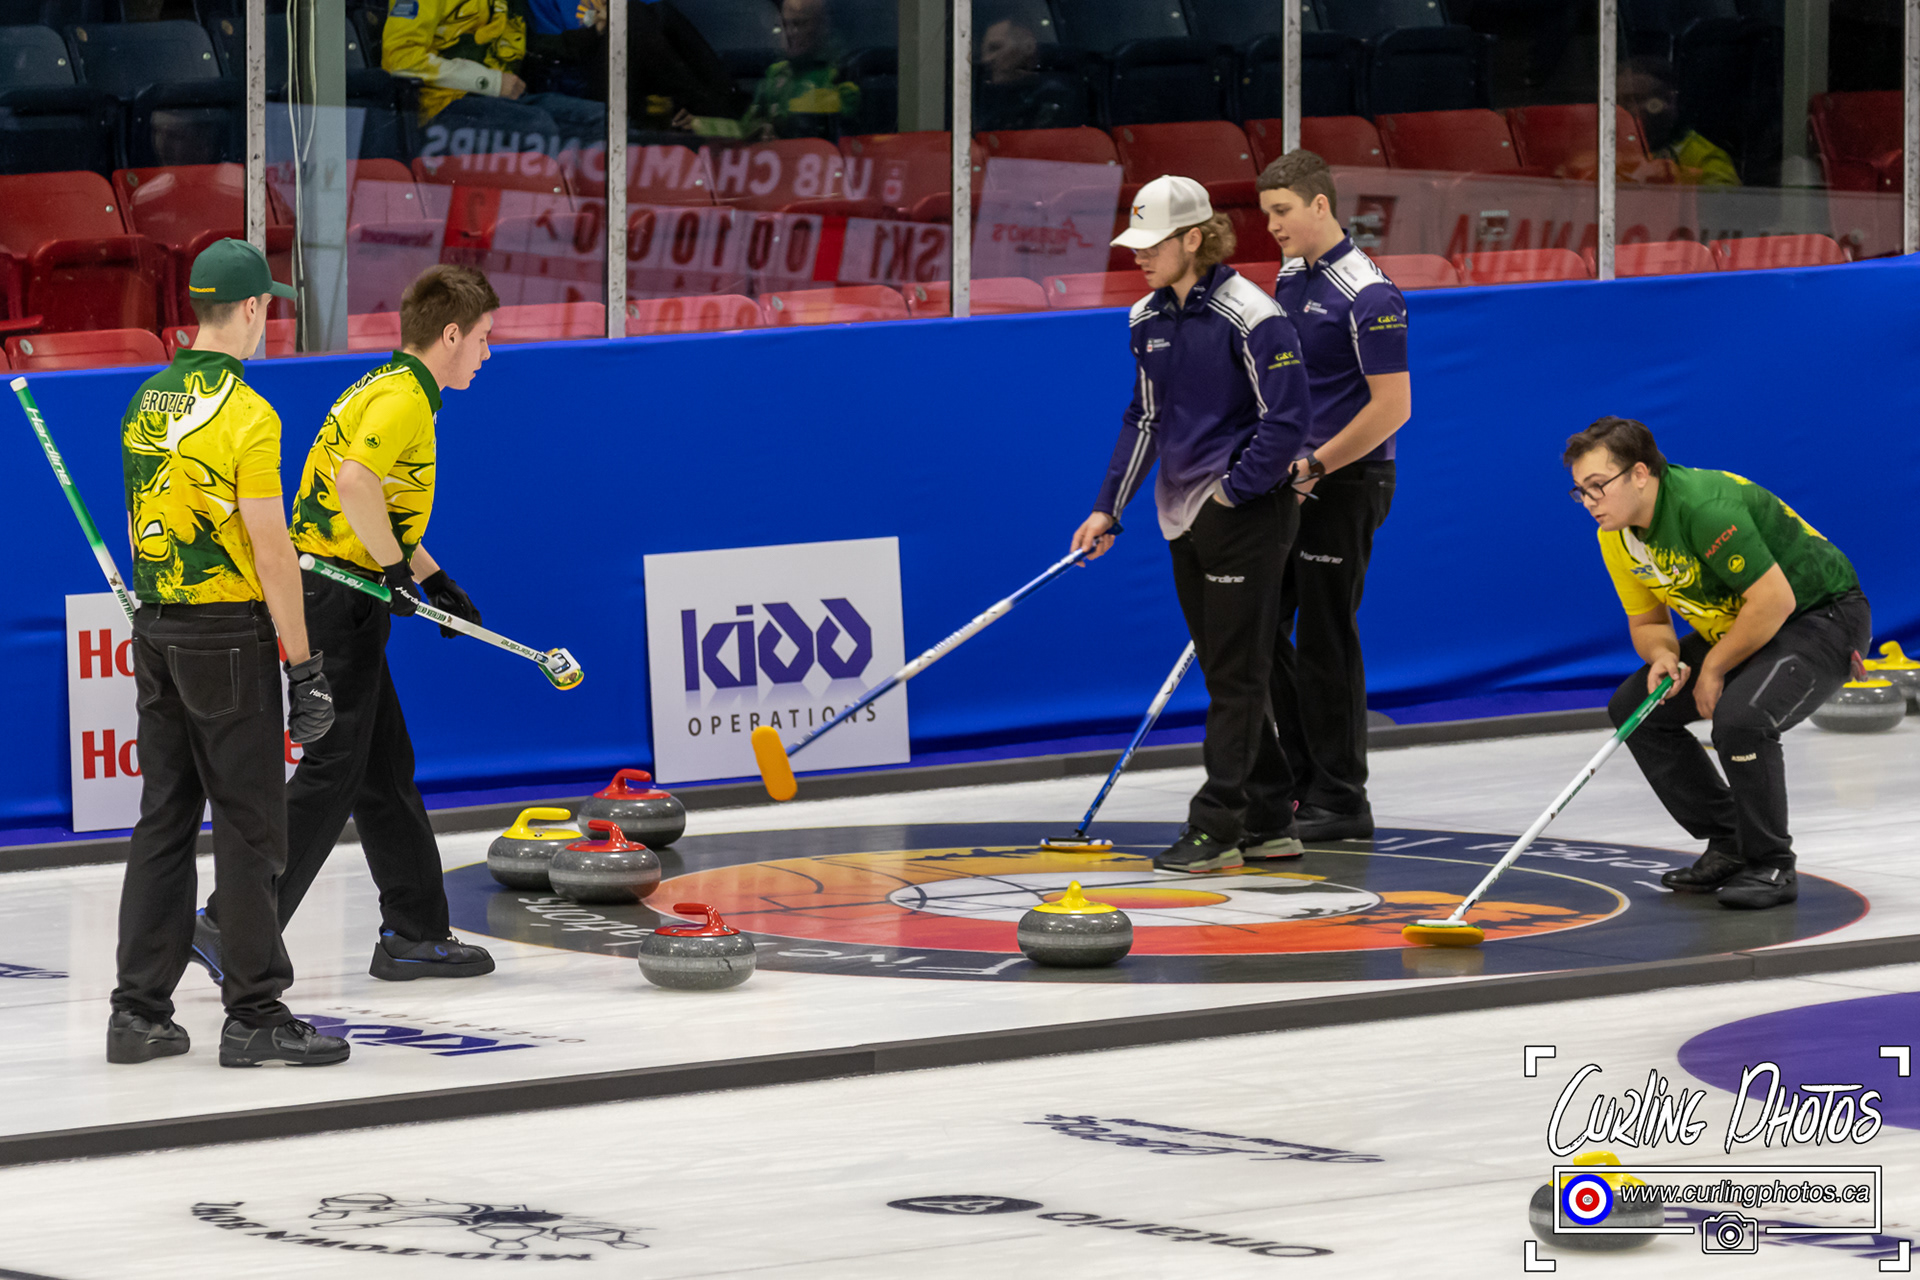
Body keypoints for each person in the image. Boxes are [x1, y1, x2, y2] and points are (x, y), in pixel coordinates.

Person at [194, 265, 500, 983]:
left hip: (339, 590)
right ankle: (232, 922)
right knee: (334, 768)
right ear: (450, 335)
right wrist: (393, 572)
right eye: (484, 338)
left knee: (384, 770)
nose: (488, 353)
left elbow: (366, 503)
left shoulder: (385, 386)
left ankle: (414, 932)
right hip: (340, 598)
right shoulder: (404, 401)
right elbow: (354, 484)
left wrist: (431, 577)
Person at [112, 239, 348, 1069]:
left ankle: (137, 1012)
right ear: (250, 310)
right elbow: (272, 550)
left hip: (156, 629)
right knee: (251, 828)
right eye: (266, 308)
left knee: (164, 818)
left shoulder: (145, 399)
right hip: (227, 637)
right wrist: (304, 666)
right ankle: (254, 1013)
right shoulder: (249, 413)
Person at [1069, 175, 1313, 874]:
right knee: (1227, 668)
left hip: (1246, 515)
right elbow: (1144, 417)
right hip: (1181, 519)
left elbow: (1288, 420)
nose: (1139, 255)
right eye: (1136, 243)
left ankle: (1216, 827)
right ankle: (1269, 819)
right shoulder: (1144, 318)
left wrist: (1234, 493)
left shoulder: (1254, 315)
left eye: (1153, 244)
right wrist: (1109, 506)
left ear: (1195, 238)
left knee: (1236, 675)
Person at [1566, 416, 1870, 910]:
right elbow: (1648, 622)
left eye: (1598, 486)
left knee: (1741, 720)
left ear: (1640, 473)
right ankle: (1730, 840)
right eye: (1580, 491)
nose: (1589, 502)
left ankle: (1772, 864)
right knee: (1636, 708)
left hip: (1820, 616)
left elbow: (1773, 601)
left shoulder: (1703, 507)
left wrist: (1712, 669)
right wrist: (1663, 656)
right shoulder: (1615, 535)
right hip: (1740, 624)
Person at [1257, 150, 1411, 842]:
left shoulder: (1370, 294)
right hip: (1291, 478)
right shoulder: (1290, 276)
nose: (1272, 226)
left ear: (1320, 205)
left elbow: (1393, 407)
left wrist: (1317, 464)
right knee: (1260, 627)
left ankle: (1343, 798)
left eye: (1281, 211)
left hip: (1346, 480)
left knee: (1326, 634)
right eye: (1266, 213)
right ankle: (1300, 778)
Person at [384, 0, 609, 161]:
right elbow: (400, 59)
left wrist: (592, 34)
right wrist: (490, 82)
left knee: (603, 121)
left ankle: (585, 212)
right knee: (535, 127)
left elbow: (529, 47)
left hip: (504, 104)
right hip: (441, 110)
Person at [676, 0, 859, 140]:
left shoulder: (842, 74)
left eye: (799, 24)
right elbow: (745, 130)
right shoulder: (776, 76)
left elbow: (849, 137)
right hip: (781, 169)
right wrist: (699, 124)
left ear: (822, 26)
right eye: (785, 25)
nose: (790, 33)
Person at [974, 15, 1080, 133]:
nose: (985, 59)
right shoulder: (986, 99)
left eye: (995, 48)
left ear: (1028, 47)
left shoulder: (1056, 99)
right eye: (983, 52)